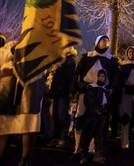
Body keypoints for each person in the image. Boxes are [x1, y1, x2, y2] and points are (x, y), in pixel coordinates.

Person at [0, 34, 47, 166]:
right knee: (6, 124)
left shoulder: (42, 49)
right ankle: (2, 155)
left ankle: (25, 158)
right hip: (9, 91)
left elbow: (43, 68)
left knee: (28, 123)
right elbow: (3, 60)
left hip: (30, 91)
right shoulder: (9, 46)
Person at [71, 35, 119, 160]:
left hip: (101, 92)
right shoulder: (87, 56)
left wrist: (111, 89)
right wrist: (77, 88)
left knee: (96, 121)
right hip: (86, 90)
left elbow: (115, 77)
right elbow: (77, 73)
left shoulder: (110, 59)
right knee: (80, 118)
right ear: (97, 42)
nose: (105, 43)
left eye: (107, 41)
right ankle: (77, 149)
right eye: (102, 40)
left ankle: (91, 149)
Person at [46, 47, 78, 148]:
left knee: (62, 115)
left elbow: (70, 77)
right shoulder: (60, 60)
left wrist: (70, 90)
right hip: (56, 92)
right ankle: (56, 137)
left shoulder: (70, 61)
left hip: (63, 92)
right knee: (55, 115)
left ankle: (62, 138)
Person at [79, 69, 110, 164]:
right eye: (100, 76)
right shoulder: (91, 88)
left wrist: (105, 110)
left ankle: (97, 154)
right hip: (92, 115)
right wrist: (96, 109)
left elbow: (108, 103)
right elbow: (89, 100)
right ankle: (83, 155)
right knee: (88, 133)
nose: (101, 78)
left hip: (101, 115)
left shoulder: (105, 90)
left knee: (99, 135)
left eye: (103, 76)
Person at [118, 46, 134, 151]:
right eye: (129, 51)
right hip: (126, 93)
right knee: (125, 118)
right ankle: (124, 142)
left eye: (133, 51)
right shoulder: (123, 65)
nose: (131, 53)